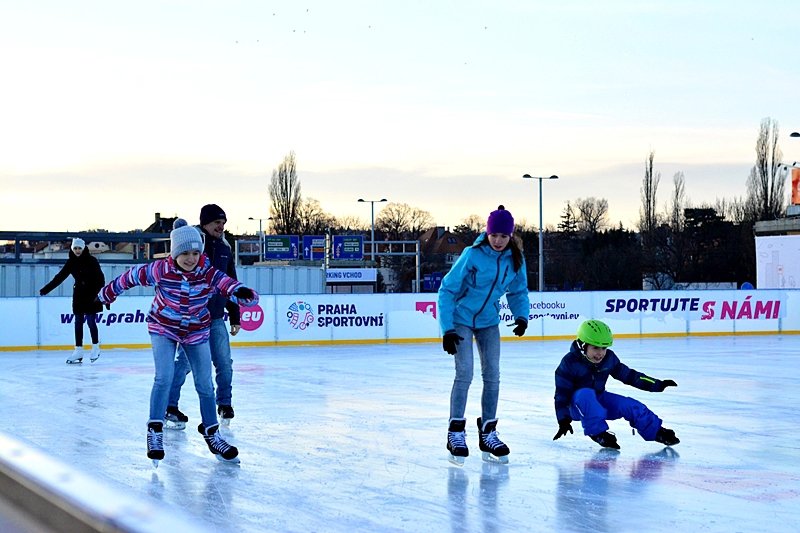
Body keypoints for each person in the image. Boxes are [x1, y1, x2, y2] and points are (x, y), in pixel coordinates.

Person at [97, 219, 259, 466]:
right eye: (184, 253)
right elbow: (130, 277)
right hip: (163, 327)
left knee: (205, 383)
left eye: (195, 252)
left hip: (195, 330)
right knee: (164, 376)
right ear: (174, 253)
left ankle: (212, 433)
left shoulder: (207, 271)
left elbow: (225, 283)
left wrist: (240, 292)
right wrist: (106, 294)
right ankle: (154, 430)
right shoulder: (160, 269)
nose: (191, 258)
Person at [438, 205, 530, 465]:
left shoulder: (516, 260)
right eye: (494, 235)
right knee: (465, 372)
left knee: (492, 375)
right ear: (487, 234)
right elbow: (447, 290)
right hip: (462, 319)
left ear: (510, 235)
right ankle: (455, 431)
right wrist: (447, 329)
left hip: (489, 321)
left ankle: (488, 431)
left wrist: (521, 316)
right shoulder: (472, 255)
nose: (498, 241)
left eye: (503, 236)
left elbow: (518, 291)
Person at [165, 204, 242, 430]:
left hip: (217, 317)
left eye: (223, 223)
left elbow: (231, 281)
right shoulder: (193, 244)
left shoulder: (226, 247)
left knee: (224, 363)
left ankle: (224, 404)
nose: (221, 226)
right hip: (193, 319)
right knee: (184, 364)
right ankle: (169, 406)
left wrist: (235, 315)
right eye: (217, 222)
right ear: (205, 223)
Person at [552, 319, 680, 450]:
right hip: (575, 406)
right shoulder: (569, 363)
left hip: (598, 398)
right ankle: (598, 433)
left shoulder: (608, 359)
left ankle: (657, 432)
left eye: (604, 348)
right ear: (582, 345)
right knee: (585, 394)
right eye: (595, 347)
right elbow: (561, 394)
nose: (600, 353)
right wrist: (563, 420)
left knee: (629, 405)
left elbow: (630, 375)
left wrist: (658, 384)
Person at [40, 237, 106, 364]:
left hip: (92, 295)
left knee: (91, 321)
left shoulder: (92, 261)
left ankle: (96, 346)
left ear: (83, 248)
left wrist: (102, 295)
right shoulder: (71, 262)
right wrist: (46, 289)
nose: (77, 250)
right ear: (72, 249)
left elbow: (100, 278)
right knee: (78, 322)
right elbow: (59, 277)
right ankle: (78, 350)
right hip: (79, 296)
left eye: (79, 248)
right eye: (75, 248)